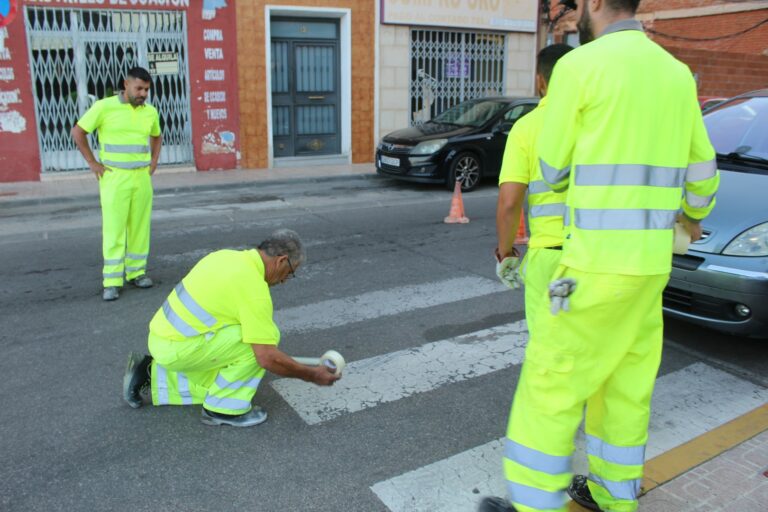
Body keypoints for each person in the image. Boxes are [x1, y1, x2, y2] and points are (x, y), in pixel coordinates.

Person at [480, 0, 719, 510]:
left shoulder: (579, 67)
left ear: (592, 4)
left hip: (590, 266)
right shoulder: (677, 73)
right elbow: (702, 177)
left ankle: (532, 504)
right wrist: (692, 216)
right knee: (626, 386)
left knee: (551, 383)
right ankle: (615, 497)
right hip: (650, 268)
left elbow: (553, 169)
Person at [122, 229, 340, 427]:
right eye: (290, 272)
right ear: (282, 261)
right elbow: (266, 358)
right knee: (258, 342)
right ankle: (223, 409)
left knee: (232, 357)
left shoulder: (224, 256)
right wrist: (311, 375)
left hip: (161, 339)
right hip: (178, 348)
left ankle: (149, 372)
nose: (285, 280)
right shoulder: (254, 289)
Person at [494, 44, 574, 338]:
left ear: (540, 80)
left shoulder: (526, 127)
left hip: (549, 256)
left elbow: (510, 202)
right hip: (593, 254)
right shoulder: (598, 121)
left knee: (546, 346)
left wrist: (505, 253)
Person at [71, 66, 162, 302]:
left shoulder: (150, 112)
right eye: (139, 88)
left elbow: (156, 135)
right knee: (114, 228)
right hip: (114, 177)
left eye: (146, 90)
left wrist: (153, 162)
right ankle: (111, 281)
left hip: (141, 177)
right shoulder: (104, 107)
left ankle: (136, 272)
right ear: (126, 84)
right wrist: (93, 163)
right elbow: (78, 132)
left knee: (140, 227)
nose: (143, 94)